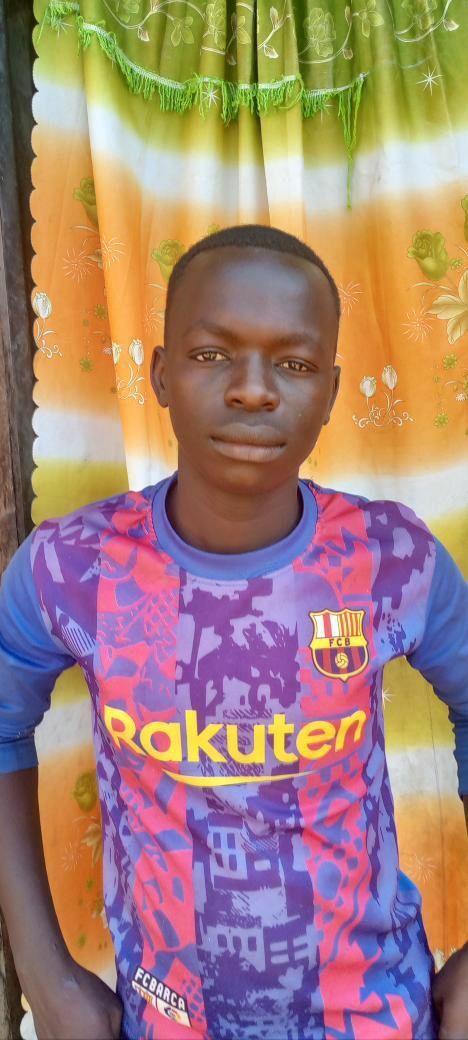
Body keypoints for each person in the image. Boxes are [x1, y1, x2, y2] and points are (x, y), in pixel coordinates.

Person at [0, 224, 467, 1040]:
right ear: (160, 374)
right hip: (169, 1018)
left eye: (295, 364)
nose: (253, 390)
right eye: (212, 354)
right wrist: (48, 977)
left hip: (375, 1016)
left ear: (332, 391)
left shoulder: (391, 558)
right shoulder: (73, 567)